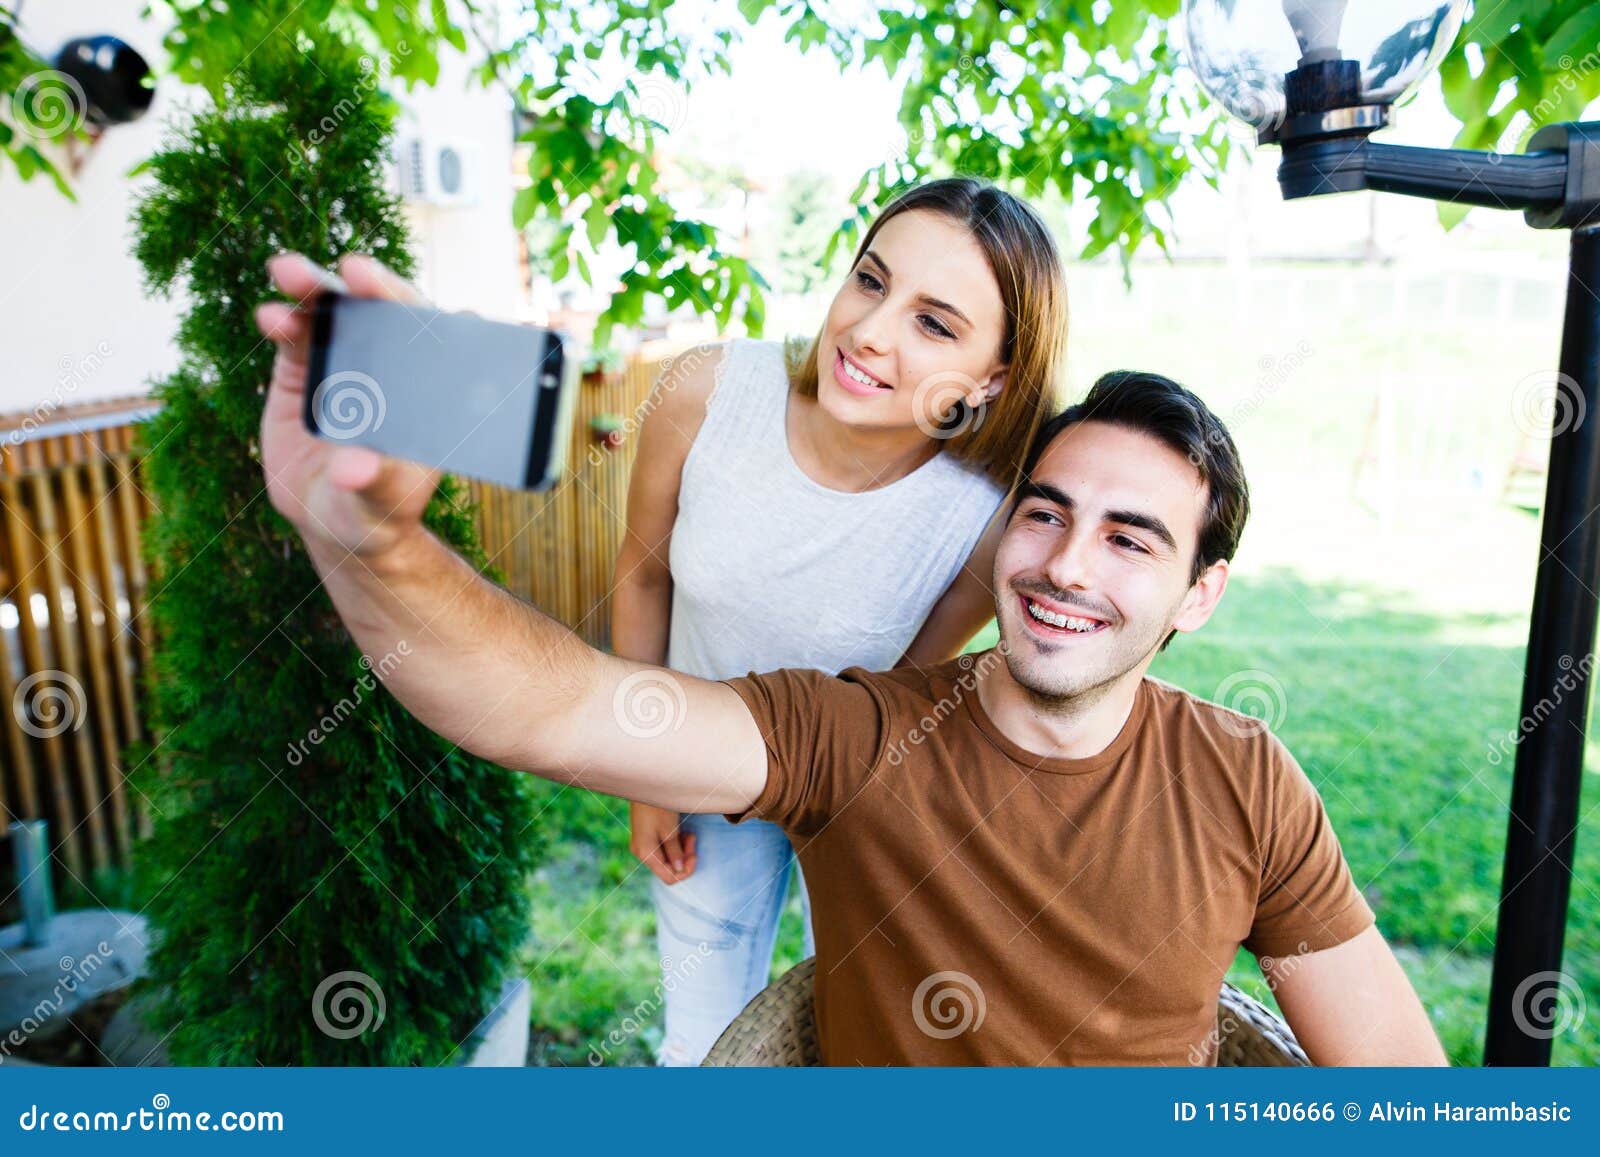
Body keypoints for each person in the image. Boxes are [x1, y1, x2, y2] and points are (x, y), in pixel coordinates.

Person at [254, 256, 1446, 1066]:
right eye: (1045, 513)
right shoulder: (863, 734)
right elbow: (549, 708)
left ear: (1199, 592)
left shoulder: (1244, 775)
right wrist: (368, 544)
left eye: (1129, 539)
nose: (1067, 565)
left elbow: (1396, 1077)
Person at [609, 178, 1067, 1064]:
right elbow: (640, 579)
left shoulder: (985, 514)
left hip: (860, 787)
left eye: (934, 324)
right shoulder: (704, 392)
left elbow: (911, 688)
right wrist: (647, 770)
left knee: (871, 1043)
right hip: (702, 768)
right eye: (870, 280)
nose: (869, 330)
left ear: (994, 377)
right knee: (702, 1046)